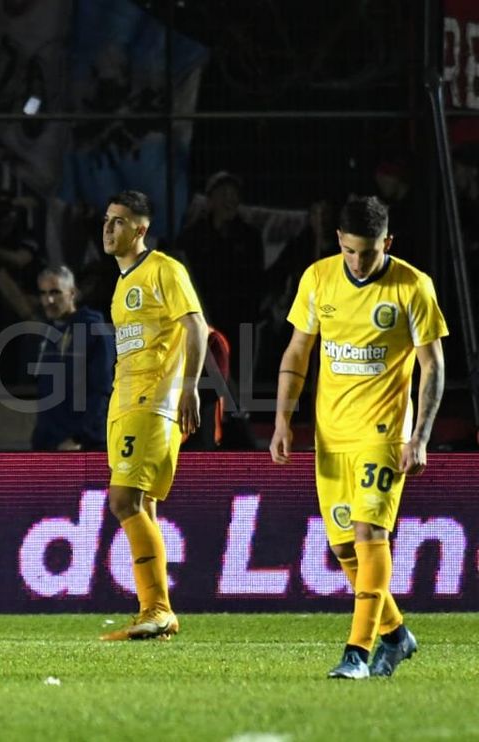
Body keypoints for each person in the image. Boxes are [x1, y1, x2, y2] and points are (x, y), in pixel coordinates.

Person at [270, 196, 447, 679]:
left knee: (371, 534)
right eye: (350, 251)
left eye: (367, 253)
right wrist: (284, 419)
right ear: (339, 242)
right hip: (331, 435)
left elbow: (432, 365)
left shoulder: (412, 286)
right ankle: (395, 634)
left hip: (384, 432)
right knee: (346, 548)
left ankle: (356, 653)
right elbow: (297, 353)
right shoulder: (318, 278)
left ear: (387, 243)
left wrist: (422, 434)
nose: (358, 262)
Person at [99, 190, 208, 641]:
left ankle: (157, 608)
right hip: (125, 401)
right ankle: (155, 612)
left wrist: (189, 387)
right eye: (107, 219)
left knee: (123, 501)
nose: (108, 228)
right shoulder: (123, 282)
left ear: (140, 230)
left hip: (151, 401)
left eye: (119, 222)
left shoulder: (164, 270)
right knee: (142, 505)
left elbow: (196, 325)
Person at [30, 265, 113, 451]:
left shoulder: (94, 330)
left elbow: (103, 390)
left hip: (83, 446)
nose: (48, 300)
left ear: (72, 293)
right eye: (43, 293)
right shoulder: (48, 333)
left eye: (55, 292)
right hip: (49, 443)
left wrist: (79, 438)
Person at [174, 171, 263, 344]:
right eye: (223, 194)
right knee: (206, 369)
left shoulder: (250, 237)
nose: (229, 200)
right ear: (210, 200)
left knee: (242, 370)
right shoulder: (192, 237)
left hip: (242, 324)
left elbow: (256, 280)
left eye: (234, 194)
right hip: (204, 321)